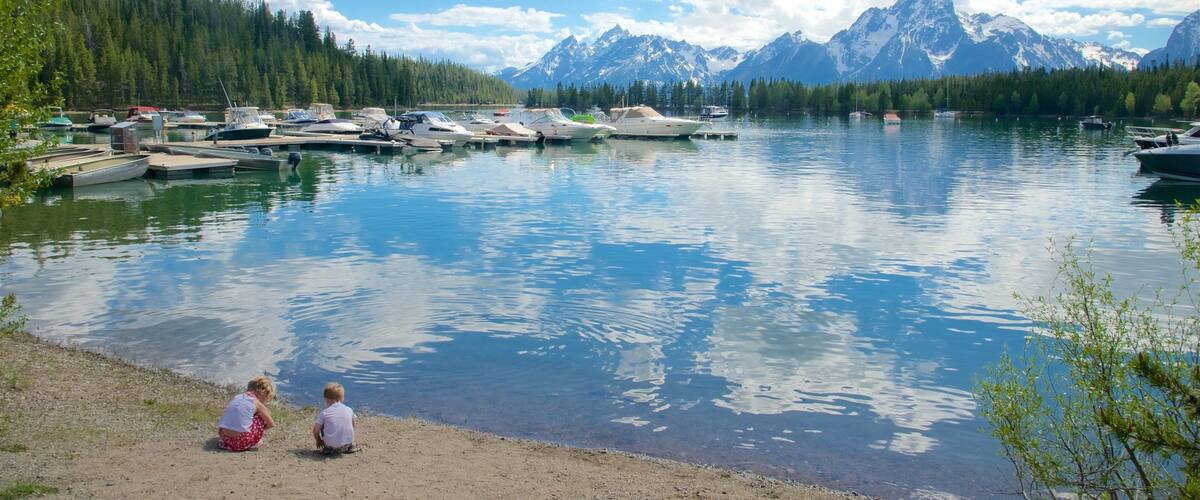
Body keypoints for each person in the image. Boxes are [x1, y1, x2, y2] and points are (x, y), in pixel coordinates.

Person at [217, 376, 275, 452]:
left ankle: (229, 442)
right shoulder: (257, 403)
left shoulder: (237, 397)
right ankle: (254, 441)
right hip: (240, 442)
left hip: (224, 436)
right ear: (263, 393)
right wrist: (259, 432)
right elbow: (271, 424)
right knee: (260, 417)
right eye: (266, 398)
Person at [313, 382, 357, 455]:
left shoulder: (324, 413)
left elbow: (315, 430)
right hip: (347, 444)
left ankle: (328, 449)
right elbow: (353, 425)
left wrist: (319, 440)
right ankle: (350, 446)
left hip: (331, 446)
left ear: (325, 399)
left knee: (322, 426)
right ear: (342, 398)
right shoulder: (349, 409)